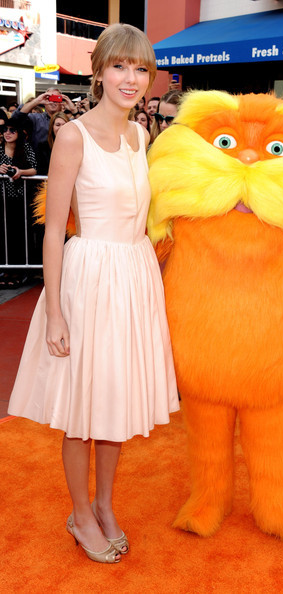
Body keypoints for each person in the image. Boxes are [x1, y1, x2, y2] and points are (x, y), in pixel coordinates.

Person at [8, 23, 179, 563]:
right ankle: (80, 515)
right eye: (120, 66)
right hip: (89, 282)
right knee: (83, 409)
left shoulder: (141, 137)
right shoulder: (72, 137)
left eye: (141, 69)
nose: (131, 78)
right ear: (99, 71)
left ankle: (105, 505)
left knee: (115, 401)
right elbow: (53, 232)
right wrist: (55, 313)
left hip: (133, 278)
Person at [0, 119, 37, 284]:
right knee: (4, 235)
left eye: (12, 130)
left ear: (19, 133)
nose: (7, 133)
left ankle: (19, 272)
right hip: (3, 199)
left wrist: (21, 171)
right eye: (5, 130)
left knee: (20, 235)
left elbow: (34, 169)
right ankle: (6, 271)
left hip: (21, 199)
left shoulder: (26, 148)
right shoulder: (0, 148)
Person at [11, 89, 79, 151]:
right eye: (49, 98)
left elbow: (83, 128)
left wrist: (74, 110)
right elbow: (15, 119)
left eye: (56, 99)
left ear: (61, 102)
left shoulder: (68, 121)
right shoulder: (35, 118)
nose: (53, 102)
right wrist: (37, 101)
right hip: (39, 159)